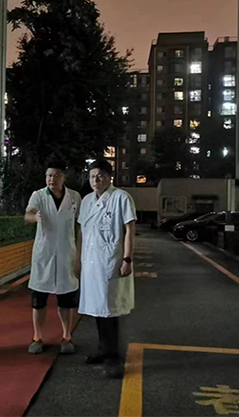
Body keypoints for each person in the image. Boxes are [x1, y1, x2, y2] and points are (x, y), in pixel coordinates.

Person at [77, 159, 136, 378]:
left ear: (110, 177)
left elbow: (129, 229)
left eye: (100, 175)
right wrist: (77, 260)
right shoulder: (86, 201)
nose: (96, 180)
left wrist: (127, 259)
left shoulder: (121, 197)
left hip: (111, 261)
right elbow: (81, 232)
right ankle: (103, 349)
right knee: (97, 309)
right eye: (92, 176)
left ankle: (113, 357)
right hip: (91, 262)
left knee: (110, 310)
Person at [25, 161, 82, 355]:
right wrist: (35, 218)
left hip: (67, 253)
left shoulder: (74, 197)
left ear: (63, 177)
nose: (52, 179)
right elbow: (28, 214)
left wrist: (79, 256)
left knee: (66, 300)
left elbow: (80, 226)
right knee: (38, 300)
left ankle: (66, 336)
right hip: (44, 254)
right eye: (49, 175)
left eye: (56, 175)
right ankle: (37, 337)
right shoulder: (38, 195)